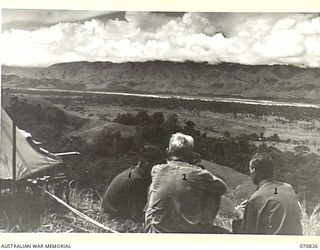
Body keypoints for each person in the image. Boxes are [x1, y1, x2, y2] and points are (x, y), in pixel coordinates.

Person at [145, 132, 227, 233]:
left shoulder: (156, 170)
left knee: (153, 186)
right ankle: (205, 227)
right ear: (191, 154)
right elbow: (222, 188)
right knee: (213, 192)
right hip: (189, 233)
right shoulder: (198, 173)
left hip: (156, 231)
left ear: (167, 151)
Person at [238, 153, 303, 235]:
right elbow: (275, 194)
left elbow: (247, 235)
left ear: (254, 171)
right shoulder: (288, 188)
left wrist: (241, 216)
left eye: (250, 169)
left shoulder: (255, 199)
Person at [102, 144, 164, 222]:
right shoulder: (137, 181)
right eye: (157, 166)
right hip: (113, 213)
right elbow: (137, 215)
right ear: (147, 164)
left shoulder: (133, 170)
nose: (159, 169)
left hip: (108, 206)